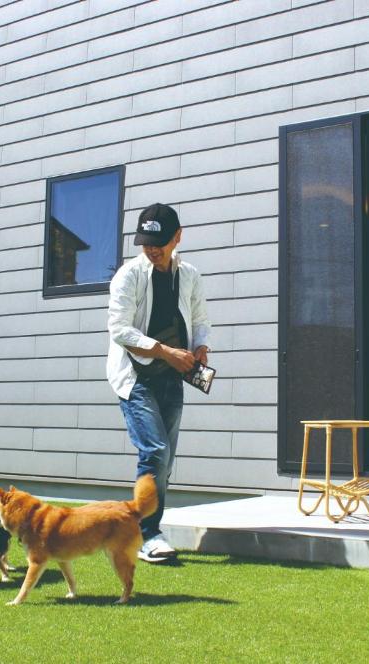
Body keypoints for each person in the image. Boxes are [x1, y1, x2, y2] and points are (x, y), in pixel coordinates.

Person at [107, 202, 211, 563]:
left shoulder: (190, 275)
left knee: (164, 462)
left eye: (159, 242)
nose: (151, 248)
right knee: (155, 451)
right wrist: (166, 352)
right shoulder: (128, 275)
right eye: (145, 241)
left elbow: (199, 317)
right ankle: (148, 534)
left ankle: (144, 529)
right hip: (134, 377)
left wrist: (200, 346)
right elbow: (119, 329)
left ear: (177, 237)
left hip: (173, 376)